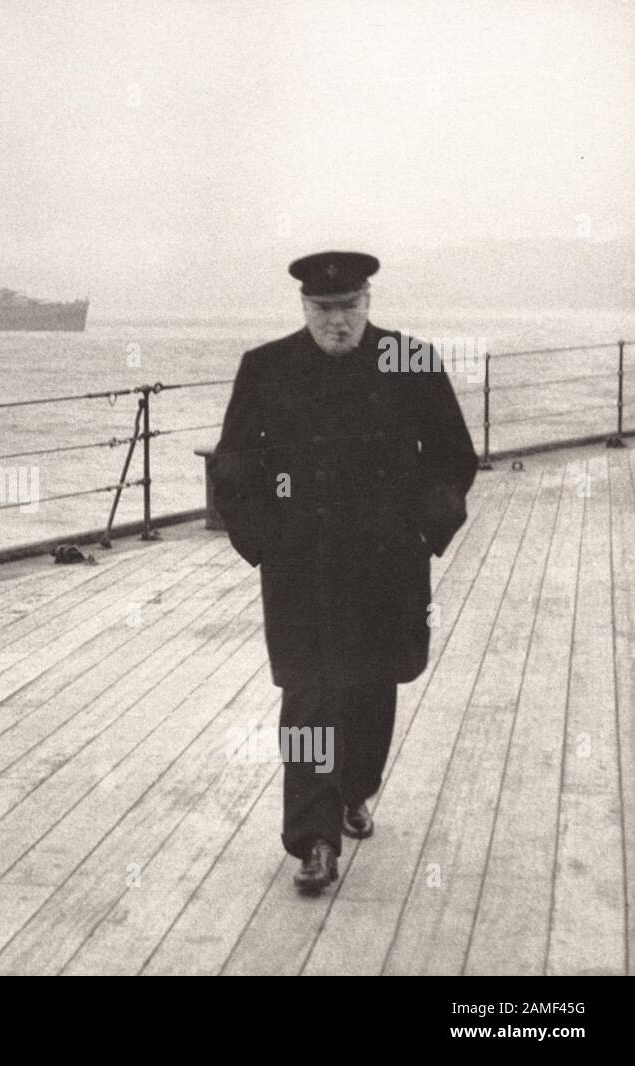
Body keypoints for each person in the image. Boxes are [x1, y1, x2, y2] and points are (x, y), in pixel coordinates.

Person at [206, 251, 478, 894]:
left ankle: (356, 790)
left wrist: (424, 529)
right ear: (304, 308)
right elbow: (234, 466)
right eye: (324, 310)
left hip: (386, 565)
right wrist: (262, 541)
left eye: (349, 307)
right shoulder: (266, 367)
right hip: (303, 568)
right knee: (308, 701)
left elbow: (454, 457)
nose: (337, 321)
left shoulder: (409, 359)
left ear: (368, 302)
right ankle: (313, 842)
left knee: (370, 691)